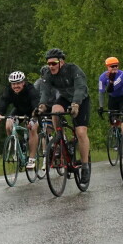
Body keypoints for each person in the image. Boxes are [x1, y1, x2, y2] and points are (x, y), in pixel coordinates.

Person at [36, 48, 92, 183]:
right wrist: (42, 106)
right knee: (55, 109)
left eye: (54, 63)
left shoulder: (73, 69)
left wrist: (76, 104)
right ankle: (60, 136)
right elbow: (45, 91)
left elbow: (80, 88)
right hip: (65, 98)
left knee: (80, 132)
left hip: (81, 100)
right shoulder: (49, 74)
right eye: (49, 64)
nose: (51, 66)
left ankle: (85, 166)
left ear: (61, 62)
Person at [0, 71, 41, 167]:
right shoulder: (9, 90)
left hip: (33, 111)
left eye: (18, 83)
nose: (15, 86)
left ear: (23, 82)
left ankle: (31, 158)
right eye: (13, 84)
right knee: (8, 125)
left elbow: (36, 103)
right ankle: (18, 146)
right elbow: (3, 102)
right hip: (19, 110)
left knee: (33, 128)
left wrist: (33, 119)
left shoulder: (30, 89)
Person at [97, 57, 123, 121]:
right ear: (107, 67)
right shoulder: (102, 77)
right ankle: (114, 129)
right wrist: (101, 106)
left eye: (116, 66)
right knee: (112, 120)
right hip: (112, 98)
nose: (115, 68)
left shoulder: (122, 74)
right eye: (112, 66)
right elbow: (101, 93)